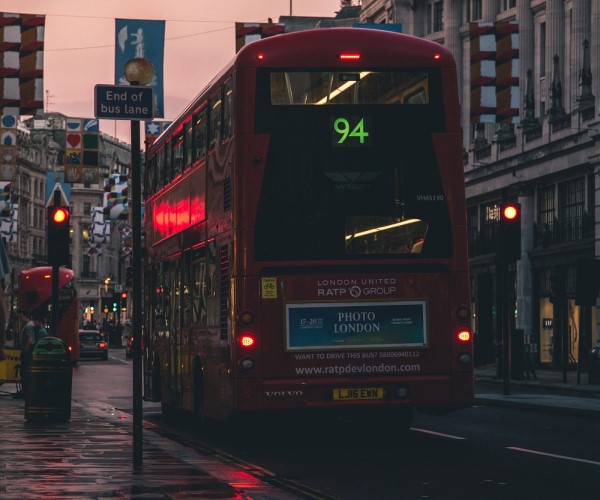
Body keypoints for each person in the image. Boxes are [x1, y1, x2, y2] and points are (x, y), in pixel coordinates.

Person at [13, 310, 36, 399]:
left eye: (21, 316)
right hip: (26, 351)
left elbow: (30, 340)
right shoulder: (27, 325)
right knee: (23, 372)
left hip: (27, 352)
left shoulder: (29, 326)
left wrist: (25, 351)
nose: (20, 318)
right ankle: (24, 391)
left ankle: (25, 392)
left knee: (24, 372)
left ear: (26, 316)